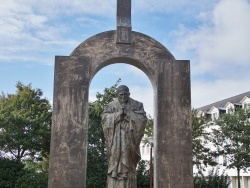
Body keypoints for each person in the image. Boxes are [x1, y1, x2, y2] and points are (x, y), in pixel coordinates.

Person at [101, 85, 147, 188]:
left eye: (125, 94)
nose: (122, 97)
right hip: (115, 140)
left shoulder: (137, 105)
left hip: (129, 139)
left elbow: (142, 119)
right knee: (114, 160)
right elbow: (104, 119)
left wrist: (128, 113)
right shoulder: (110, 105)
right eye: (120, 95)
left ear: (129, 94)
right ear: (117, 95)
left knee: (128, 161)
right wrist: (118, 115)